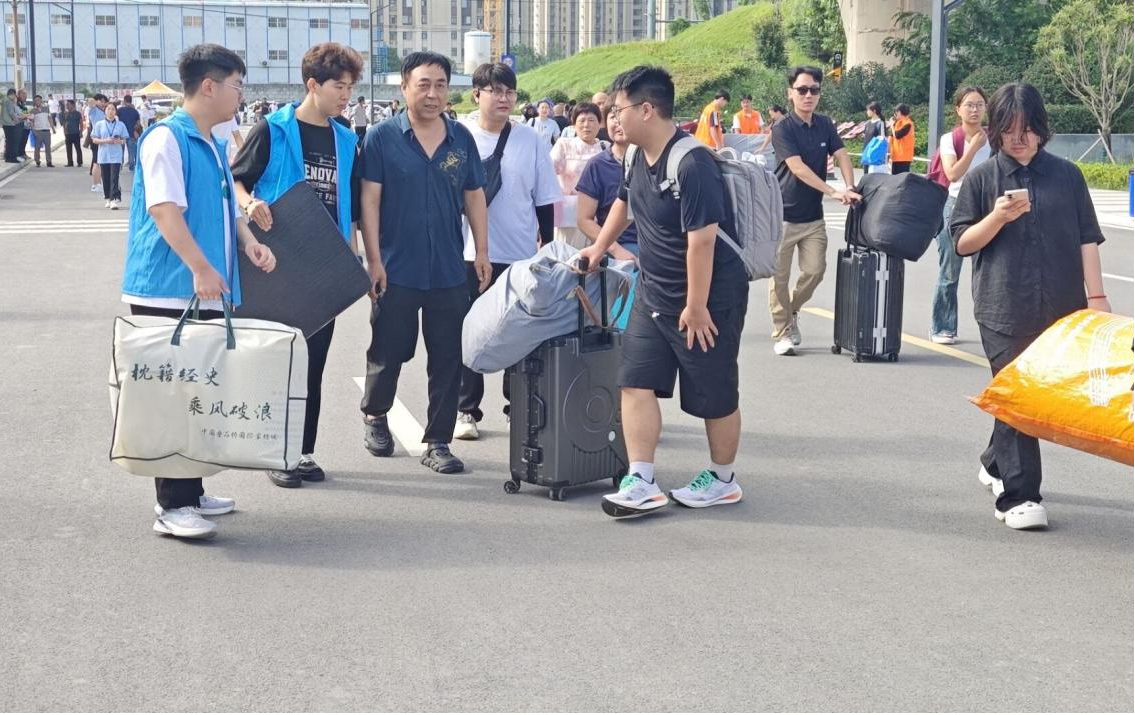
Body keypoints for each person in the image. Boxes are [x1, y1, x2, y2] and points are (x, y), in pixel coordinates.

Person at [576, 66, 750, 517]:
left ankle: (723, 480)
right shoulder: (635, 155)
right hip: (654, 291)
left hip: (708, 297)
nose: (613, 118)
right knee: (635, 381)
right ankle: (641, 480)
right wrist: (598, 247)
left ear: (647, 110)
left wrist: (696, 306)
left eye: (619, 109)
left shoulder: (693, 164)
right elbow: (624, 204)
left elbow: (702, 242)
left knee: (714, 391)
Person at [121, 43, 276, 540]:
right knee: (174, 395)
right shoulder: (166, 139)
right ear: (209, 86)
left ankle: (192, 489)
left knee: (201, 391)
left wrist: (249, 243)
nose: (241, 95)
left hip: (205, 287)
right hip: (171, 288)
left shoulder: (210, 140)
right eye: (237, 86)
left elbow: (227, 208)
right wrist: (201, 267)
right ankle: (172, 505)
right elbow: (164, 211)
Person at [951, 82, 1109, 531]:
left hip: (1062, 307)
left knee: (1033, 398)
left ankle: (994, 460)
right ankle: (1018, 497)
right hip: (1002, 306)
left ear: (1041, 128)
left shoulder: (1067, 176)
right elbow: (962, 243)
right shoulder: (983, 179)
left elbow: (1087, 238)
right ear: (995, 130)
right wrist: (997, 217)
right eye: (1007, 130)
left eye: (1026, 129)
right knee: (1018, 393)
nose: (1017, 139)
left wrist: (1097, 298)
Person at [232, 42, 364, 488]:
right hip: (276, 261)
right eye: (338, 86)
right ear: (313, 85)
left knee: (314, 362)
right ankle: (277, 451)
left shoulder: (346, 138)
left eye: (350, 87)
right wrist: (250, 203)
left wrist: (352, 258)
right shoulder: (273, 130)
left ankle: (303, 451)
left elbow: (350, 206)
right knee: (279, 361)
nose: (345, 95)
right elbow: (236, 180)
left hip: (323, 264)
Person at [359, 52, 490, 475]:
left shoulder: (461, 139)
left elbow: (474, 195)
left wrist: (481, 251)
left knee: (449, 355)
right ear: (404, 88)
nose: (433, 94)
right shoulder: (382, 137)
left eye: (440, 85)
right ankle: (376, 414)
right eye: (423, 84)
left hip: (448, 268)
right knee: (389, 348)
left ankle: (438, 441)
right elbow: (370, 201)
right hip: (396, 266)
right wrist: (373, 260)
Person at [453, 63, 560, 441]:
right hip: (467, 253)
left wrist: (546, 247)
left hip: (520, 254)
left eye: (510, 92)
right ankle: (466, 409)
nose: (504, 98)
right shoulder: (459, 136)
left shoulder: (530, 140)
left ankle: (519, 407)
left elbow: (544, 198)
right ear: (476, 94)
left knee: (520, 333)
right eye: (495, 91)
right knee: (471, 332)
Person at [769, 66, 860, 357]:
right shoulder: (783, 128)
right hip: (782, 215)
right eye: (802, 90)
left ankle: (792, 309)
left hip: (812, 217)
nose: (808, 95)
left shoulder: (825, 124)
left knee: (815, 271)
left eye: (814, 90)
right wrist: (833, 192)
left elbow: (841, 154)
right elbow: (797, 168)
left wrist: (850, 186)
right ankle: (783, 331)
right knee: (779, 278)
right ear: (790, 93)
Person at [931, 86, 990, 346]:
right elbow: (953, 174)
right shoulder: (949, 139)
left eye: (979, 105)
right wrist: (973, 148)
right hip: (954, 206)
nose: (975, 110)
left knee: (986, 273)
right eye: (969, 105)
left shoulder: (994, 139)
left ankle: (990, 328)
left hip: (985, 209)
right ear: (958, 109)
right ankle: (942, 326)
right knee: (949, 272)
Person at [575, 105, 639, 260]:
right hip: (619, 246)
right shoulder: (597, 165)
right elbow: (584, 220)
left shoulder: (652, 160)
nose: (618, 122)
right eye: (613, 117)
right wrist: (616, 251)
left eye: (622, 115)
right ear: (604, 123)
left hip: (655, 246)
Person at [549, 102, 606, 249]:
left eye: (592, 120)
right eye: (581, 121)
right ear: (573, 125)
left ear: (600, 123)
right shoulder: (564, 145)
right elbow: (547, 173)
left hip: (598, 214)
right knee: (566, 255)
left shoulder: (605, 147)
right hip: (569, 214)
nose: (587, 125)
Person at [91, 103, 131, 208]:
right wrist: (105, 140)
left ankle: (114, 199)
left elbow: (125, 139)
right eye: (108, 109)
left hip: (116, 155)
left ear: (115, 112)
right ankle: (108, 197)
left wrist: (119, 141)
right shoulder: (99, 124)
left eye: (113, 109)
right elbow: (94, 139)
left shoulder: (120, 125)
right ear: (105, 111)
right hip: (103, 155)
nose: (110, 111)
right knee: (105, 177)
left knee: (114, 177)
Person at [861, 101, 888, 174]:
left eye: (868, 110)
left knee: (873, 175)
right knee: (865, 173)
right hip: (866, 152)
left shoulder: (880, 123)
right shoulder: (867, 123)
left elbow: (882, 139)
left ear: (874, 111)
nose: (867, 112)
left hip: (875, 154)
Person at [116, 95, 141, 171]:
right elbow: (138, 123)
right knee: (131, 151)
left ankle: (120, 165)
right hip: (131, 133)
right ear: (131, 101)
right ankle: (131, 166)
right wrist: (136, 131)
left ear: (124, 101)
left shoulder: (119, 110)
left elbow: (115, 120)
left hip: (121, 134)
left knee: (120, 151)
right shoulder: (135, 111)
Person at [890, 104, 914, 174]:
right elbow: (892, 136)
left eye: (896, 112)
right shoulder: (898, 123)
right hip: (896, 156)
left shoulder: (908, 123)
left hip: (904, 157)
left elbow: (897, 135)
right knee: (894, 178)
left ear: (899, 112)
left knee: (902, 178)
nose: (895, 114)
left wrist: (892, 126)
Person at [30, 95, 54, 168]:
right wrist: (33, 131)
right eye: (36, 100)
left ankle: (49, 162)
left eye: (38, 100)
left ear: (41, 100)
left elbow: (50, 118)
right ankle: (37, 161)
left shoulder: (46, 108)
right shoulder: (33, 111)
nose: (37, 101)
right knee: (37, 147)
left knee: (48, 147)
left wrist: (53, 128)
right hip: (38, 131)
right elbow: (31, 122)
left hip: (46, 131)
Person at [61, 100, 83, 167]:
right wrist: (64, 131)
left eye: (68, 104)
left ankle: (79, 162)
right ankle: (70, 162)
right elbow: (64, 123)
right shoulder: (65, 113)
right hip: (68, 134)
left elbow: (81, 123)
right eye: (66, 105)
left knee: (78, 148)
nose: (67, 106)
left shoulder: (77, 113)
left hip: (75, 133)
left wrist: (81, 132)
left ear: (73, 105)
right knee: (68, 149)